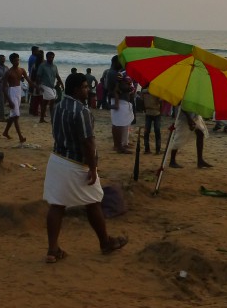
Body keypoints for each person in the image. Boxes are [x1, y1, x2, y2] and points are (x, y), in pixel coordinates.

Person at [42, 72, 127, 263]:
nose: (88, 90)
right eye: (85, 87)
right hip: (76, 163)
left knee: (56, 205)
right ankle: (105, 242)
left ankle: (52, 249)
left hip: (57, 159)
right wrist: (93, 168)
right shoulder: (81, 111)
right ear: (76, 90)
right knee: (93, 201)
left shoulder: (57, 106)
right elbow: (88, 143)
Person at [1, 53, 31, 144]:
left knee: (13, 115)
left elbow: (29, 80)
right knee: (16, 115)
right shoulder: (8, 72)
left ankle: (5, 132)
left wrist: (36, 87)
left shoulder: (22, 70)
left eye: (18, 60)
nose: (17, 62)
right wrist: (9, 100)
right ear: (11, 61)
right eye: (15, 60)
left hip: (18, 91)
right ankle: (20, 137)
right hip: (12, 92)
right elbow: (3, 87)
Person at [36, 51, 64, 123]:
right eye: (49, 57)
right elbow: (38, 76)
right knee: (52, 101)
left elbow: (57, 76)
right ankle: (52, 119)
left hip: (52, 86)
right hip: (44, 85)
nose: (51, 58)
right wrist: (38, 86)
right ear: (46, 57)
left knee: (45, 103)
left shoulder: (55, 66)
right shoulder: (42, 66)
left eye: (52, 57)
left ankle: (41, 119)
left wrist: (61, 83)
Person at [141, 85, 163, 154]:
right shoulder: (157, 91)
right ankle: (157, 150)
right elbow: (160, 102)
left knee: (147, 131)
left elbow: (142, 102)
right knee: (157, 131)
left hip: (148, 112)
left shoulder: (144, 91)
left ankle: (147, 149)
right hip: (156, 112)